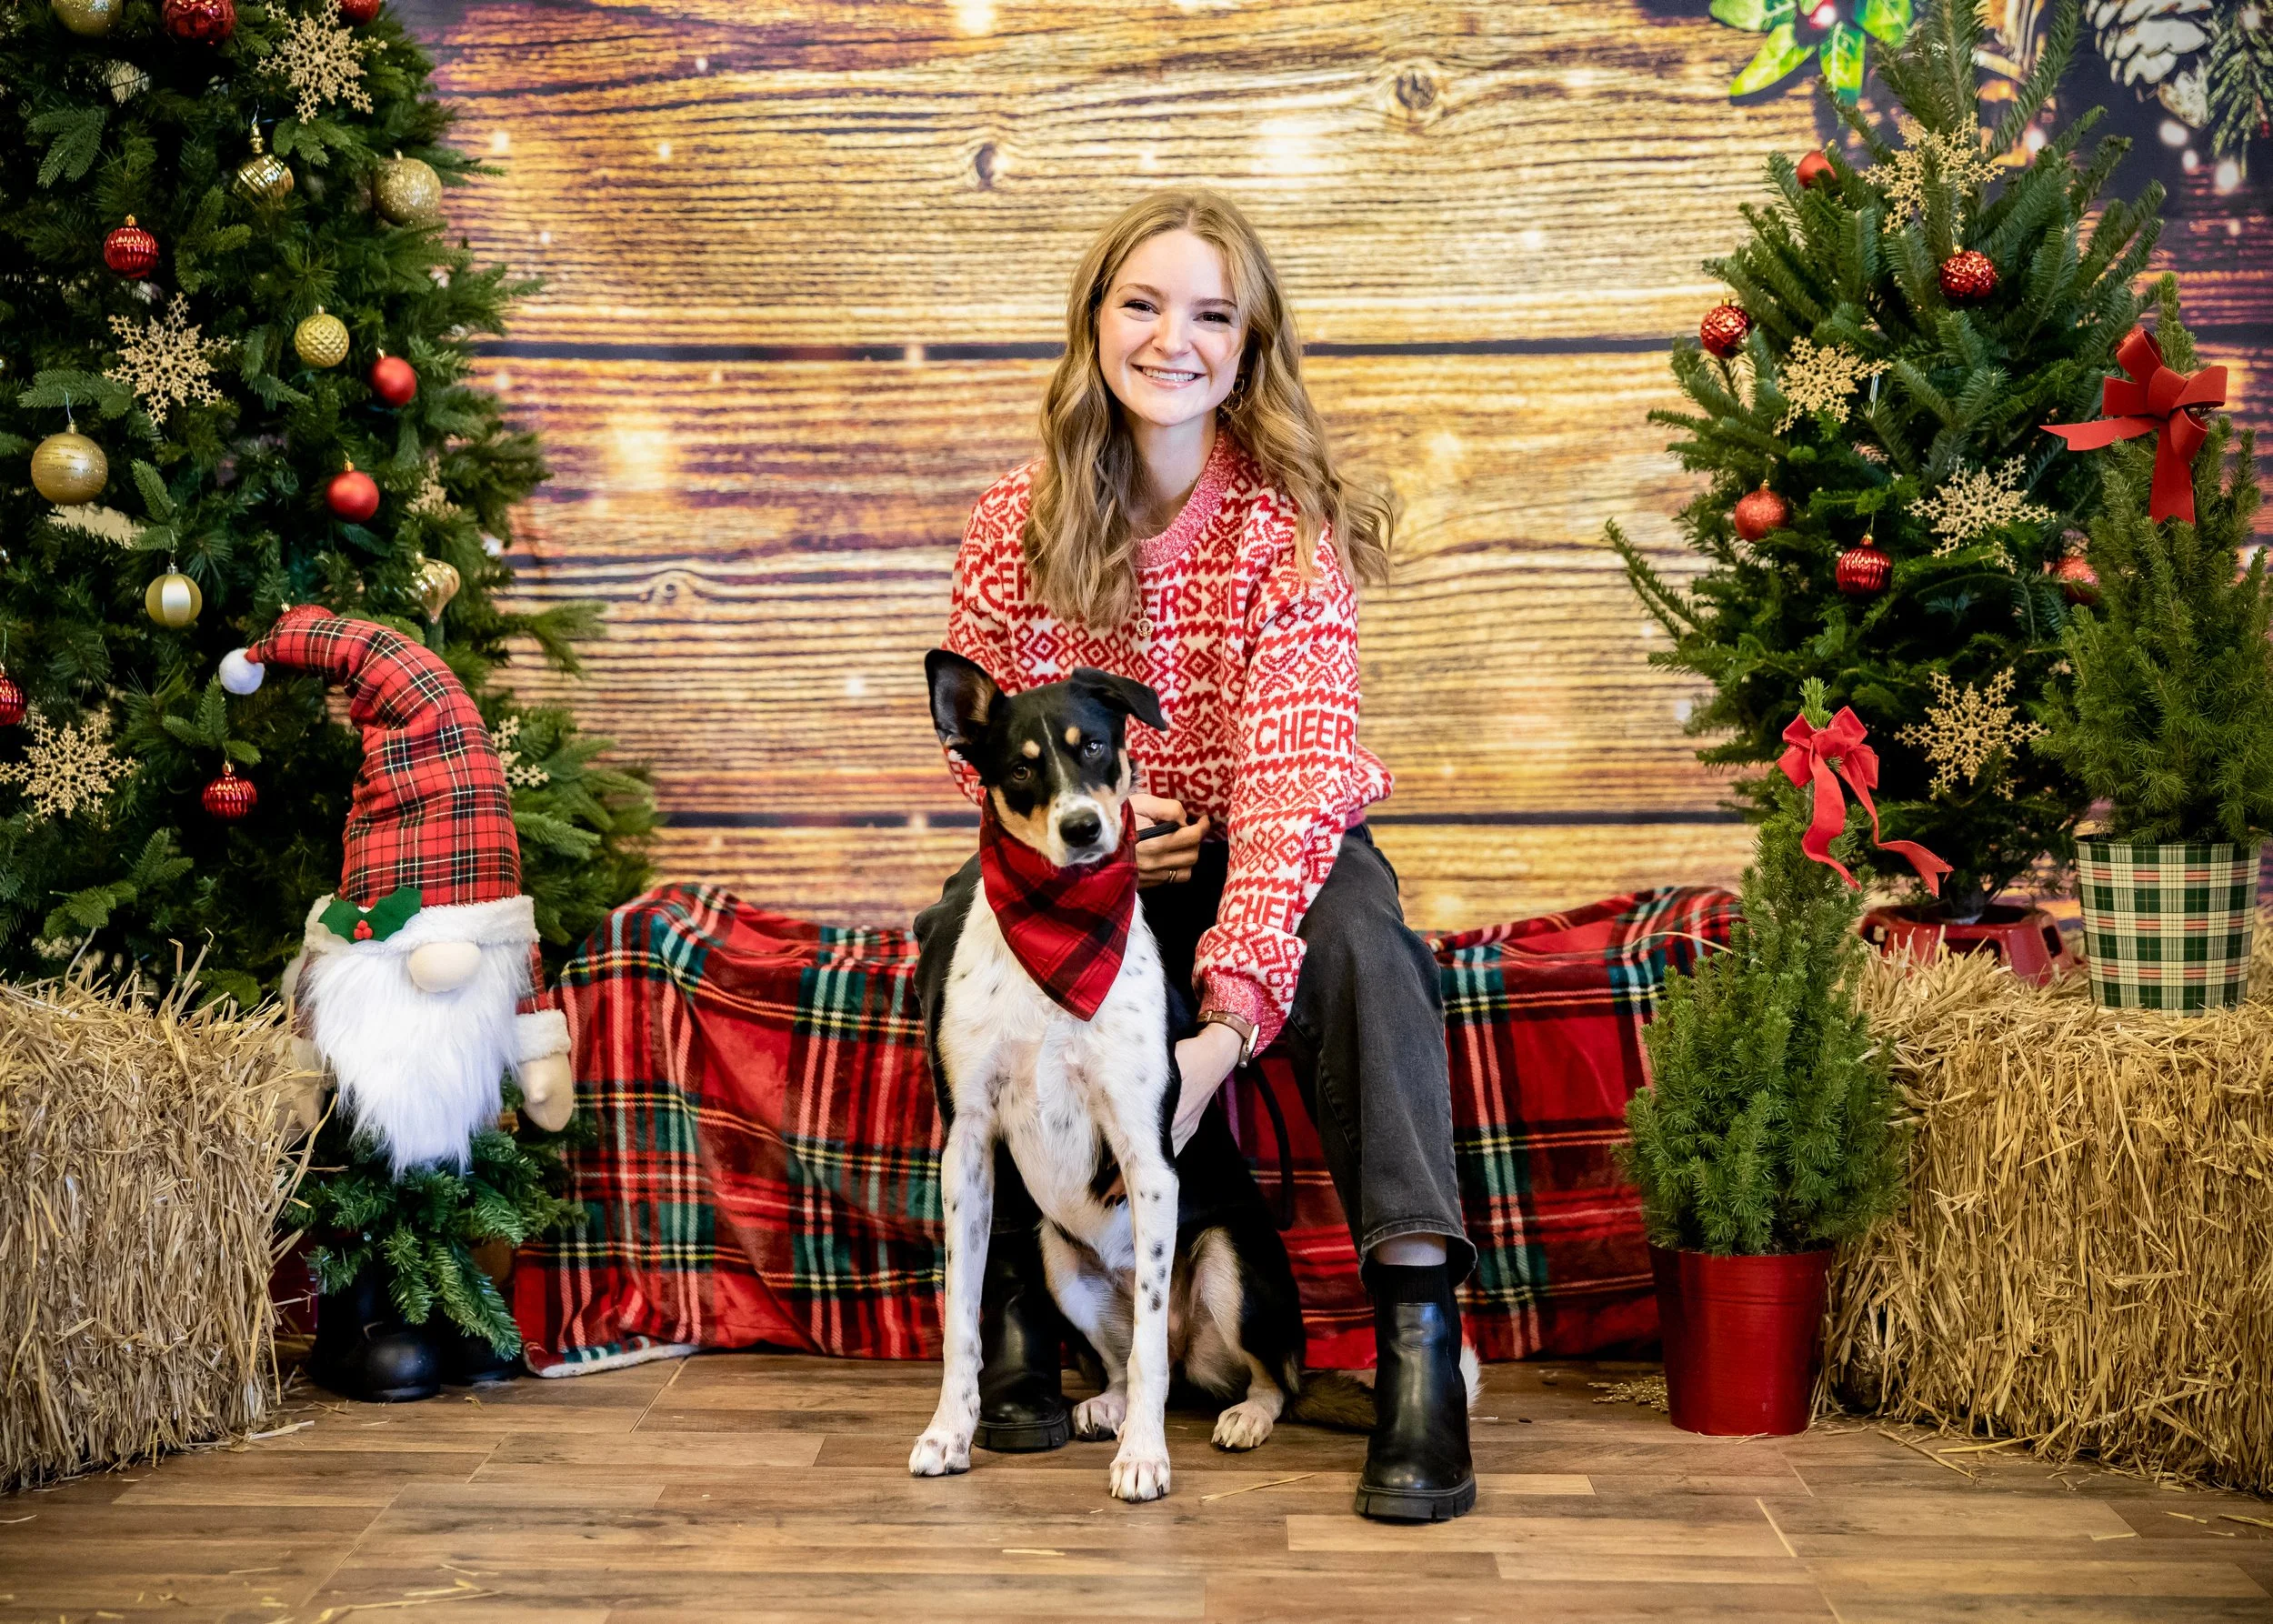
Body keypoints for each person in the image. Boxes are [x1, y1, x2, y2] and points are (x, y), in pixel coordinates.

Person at [912, 188, 1475, 1522]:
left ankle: (1418, 1342)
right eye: (1144, 304)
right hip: (1090, 856)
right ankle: (1016, 1318)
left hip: (1264, 843)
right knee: (950, 931)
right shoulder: (1014, 523)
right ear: (1095, 325)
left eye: (1213, 313)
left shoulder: (1284, 534)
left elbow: (1293, 788)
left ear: (1251, 344)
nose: (1176, 338)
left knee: (1362, 944)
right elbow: (979, 748)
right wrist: (1104, 847)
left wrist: (1220, 1032)